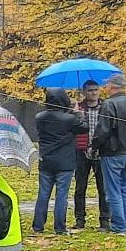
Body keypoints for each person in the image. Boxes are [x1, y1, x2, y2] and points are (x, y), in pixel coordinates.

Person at [31, 89, 84, 236]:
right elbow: (84, 128)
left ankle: (38, 226)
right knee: (62, 196)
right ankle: (59, 227)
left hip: (46, 161)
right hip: (65, 163)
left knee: (43, 194)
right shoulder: (69, 119)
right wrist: (77, 112)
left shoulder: (39, 117)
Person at [73, 80, 113, 230]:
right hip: (82, 151)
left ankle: (104, 220)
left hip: (101, 152)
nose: (94, 93)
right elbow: (73, 129)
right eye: (90, 90)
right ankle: (80, 220)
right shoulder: (79, 108)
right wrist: (76, 114)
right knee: (80, 187)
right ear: (84, 92)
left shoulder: (106, 107)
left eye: (96, 90)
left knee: (103, 188)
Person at [96, 77, 126, 235]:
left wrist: (93, 146)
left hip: (113, 152)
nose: (105, 87)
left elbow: (103, 130)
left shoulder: (109, 104)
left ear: (112, 86)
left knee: (113, 191)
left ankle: (118, 226)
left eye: (107, 84)